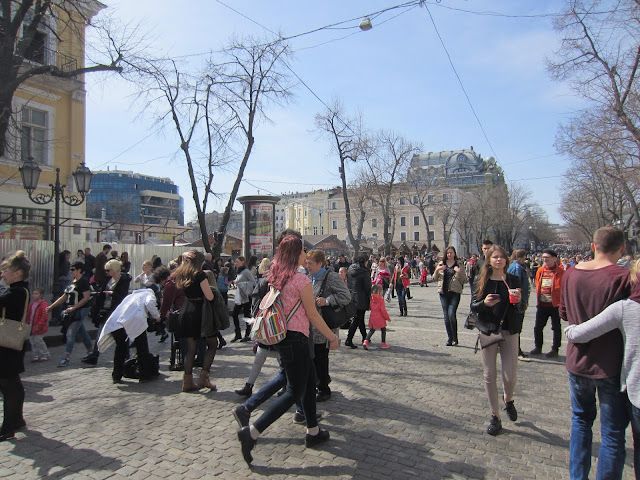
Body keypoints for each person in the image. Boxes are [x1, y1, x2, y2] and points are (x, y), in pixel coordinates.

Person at [236, 235, 339, 464]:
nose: (305, 254)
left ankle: (312, 431)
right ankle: (252, 432)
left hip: (282, 337)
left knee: (309, 381)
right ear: (295, 253)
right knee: (293, 391)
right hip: (297, 339)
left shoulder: (278, 276)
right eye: (302, 250)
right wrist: (331, 337)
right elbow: (313, 315)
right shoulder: (301, 280)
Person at [560, 226, 631, 479]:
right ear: (622, 248)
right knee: (612, 433)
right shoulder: (624, 278)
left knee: (580, 421)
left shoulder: (571, 273)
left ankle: (578, 476)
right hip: (611, 364)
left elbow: (564, 313)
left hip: (577, 360)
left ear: (593, 246)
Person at [470, 245, 525, 436]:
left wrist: (518, 301)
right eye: (495, 257)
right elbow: (473, 306)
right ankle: (495, 416)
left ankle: (508, 399)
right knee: (489, 375)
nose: (499, 260)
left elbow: (522, 307)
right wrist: (485, 303)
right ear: (489, 260)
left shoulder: (513, 279)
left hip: (509, 330)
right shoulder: (481, 280)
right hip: (488, 330)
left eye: (502, 257)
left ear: (506, 260)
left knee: (510, 376)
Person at [306, 249, 352, 402]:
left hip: (324, 325)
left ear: (320, 263)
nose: (307, 266)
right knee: (313, 357)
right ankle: (318, 382)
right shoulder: (309, 277)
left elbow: (346, 296)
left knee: (320, 357)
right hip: (310, 326)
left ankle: (324, 388)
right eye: (307, 263)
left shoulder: (331, 277)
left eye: (310, 263)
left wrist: (327, 301)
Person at [173, 250, 217, 392]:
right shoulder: (200, 275)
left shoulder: (183, 274)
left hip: (186, 309)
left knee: (191, 349)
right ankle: (204, 377)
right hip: (199, 312)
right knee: (213, 344)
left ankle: (187, 381)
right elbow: (209, 296)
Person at [0, 251, 31, 441]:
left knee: (8, 385)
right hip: (9, 343)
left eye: (5, 271)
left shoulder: (17, 292)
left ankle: (8, 428)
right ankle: (17, 420)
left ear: (17, 273)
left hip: (8, 344)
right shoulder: (17, 290)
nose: (2, 274)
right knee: (13, 384)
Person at [97, 287, 158, 384]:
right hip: (135, 321)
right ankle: (144, 375)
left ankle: (116, 375)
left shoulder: (130, 296)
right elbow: (150, 303)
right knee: (142, 348)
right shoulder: (149, 294)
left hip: (117, 322)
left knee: (120, 348)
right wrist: (157, 316)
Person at [82, 259, 131, 366]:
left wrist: (113, 293)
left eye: (109, 270)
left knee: (122, 335)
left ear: (115, 269)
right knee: (100, 333)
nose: (107, 272)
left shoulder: (123, 280)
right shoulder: (108, 280)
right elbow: (101, 294)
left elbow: (123, 296)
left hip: (117, 311)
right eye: (106, 270)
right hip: (105, 310)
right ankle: (95, 355)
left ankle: (126, 356)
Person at [47, 261, 94, 367]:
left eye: (73, 269)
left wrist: (74, 307)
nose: (70, 271)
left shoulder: (84, 281)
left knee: (70, 333)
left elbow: (86, 297)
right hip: (73, 310)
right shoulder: (72, 281)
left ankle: (66, 357)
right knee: (82, 331)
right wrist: (52, 306)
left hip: (81, 310)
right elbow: (64, 296)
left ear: (79, 270)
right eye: (70, 269)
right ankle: (91, 352)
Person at [529, 249, 564, 358]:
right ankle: (538, 347)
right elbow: (537, 284)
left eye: (547, 258)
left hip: (555, 305)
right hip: (542, 305)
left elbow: (564, 289)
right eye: (543, 257)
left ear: (554, 259)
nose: (544, 260)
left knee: (556, 328)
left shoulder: (561, 272)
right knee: (538, 327)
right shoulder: (540, 270)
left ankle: (555, 349)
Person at [433, 246, 467, 346]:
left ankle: (455, 337)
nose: (449, 254)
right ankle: (449, 338)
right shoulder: (441, 263)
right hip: (443, 293)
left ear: (454, 253)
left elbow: (464, 280)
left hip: (455, 292)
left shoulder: (459, 264)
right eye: (448, 253)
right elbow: (434, 278)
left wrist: (459, 272)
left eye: (451, 253)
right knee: (446, 316)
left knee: (451, 314)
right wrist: (437, 269)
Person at [507, 249, 531, 360]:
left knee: (515, 326)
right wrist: (523, 301)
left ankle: (515, 348)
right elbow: (518, 285)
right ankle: (516, 349)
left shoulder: (513, 266)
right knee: (517, 326)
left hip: (516, 300)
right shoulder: (517, 268)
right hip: (518, 300)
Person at [345, 254, 372, 348]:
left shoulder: (350, 269)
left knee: (360, 318)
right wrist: (370, 295)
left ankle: (365, 337)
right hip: (361, 297)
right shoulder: (364, 271)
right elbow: (367, 286)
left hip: (352, 296)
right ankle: (349, 339)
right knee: (357, 319)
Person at [231, 256, 256, 342]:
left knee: (246, 315)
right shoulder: (238, 271)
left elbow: (253, 282)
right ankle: (238, 333)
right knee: (234, 314)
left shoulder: (246, 272)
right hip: (239, 296)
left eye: (237, 261)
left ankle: (248, 334)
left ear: (242, 262)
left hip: (246, 296)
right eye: (235, 262)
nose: (236, 263)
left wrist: (242, 284)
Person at [363, 284, 391, 349]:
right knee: (383, 329)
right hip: (380, 317)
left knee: (372, 330)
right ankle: (383, 343)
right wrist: (387, 318)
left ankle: (366, 341)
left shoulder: (371, 298)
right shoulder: (381, 299)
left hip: (372, 316)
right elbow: (383, 310)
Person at [27, 287, 50, 362]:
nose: (34, 295)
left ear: (41, 295)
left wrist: (39, 325)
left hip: (39, 325)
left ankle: (44, 354)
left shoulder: (44, 304)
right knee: (32, 341)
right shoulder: (32, 304)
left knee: (39, 341)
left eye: (36, 294)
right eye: (33, 294)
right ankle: (35, 355)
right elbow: (29, 314)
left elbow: (44, 316)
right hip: (31, 324)